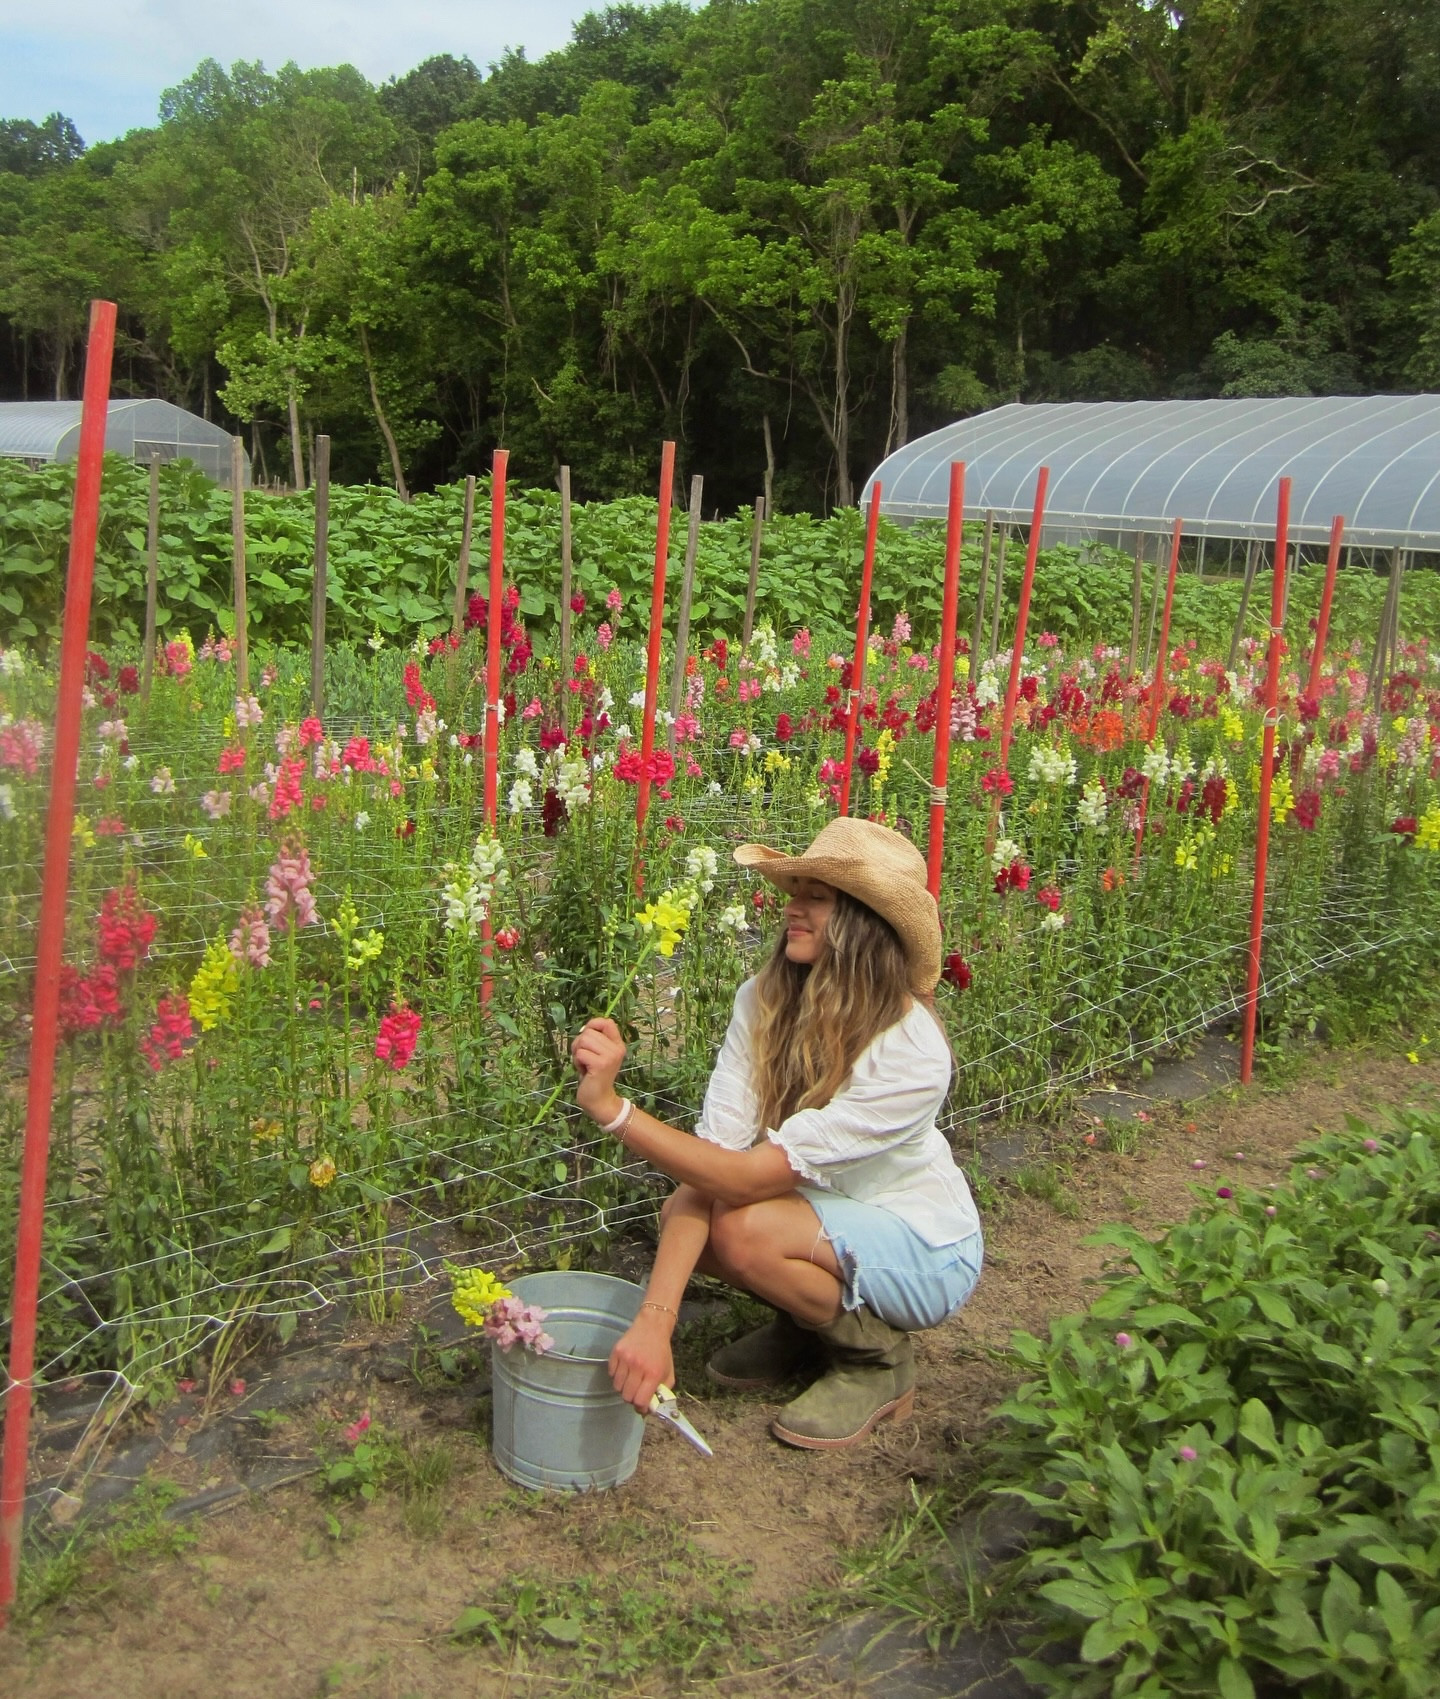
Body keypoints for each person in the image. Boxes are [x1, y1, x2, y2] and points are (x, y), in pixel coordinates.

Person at [570, 816, 984, 1450]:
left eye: (815, 897)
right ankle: (809, 1321)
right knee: (692, 1217)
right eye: (794, 892)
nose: (791, 908)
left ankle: (876, 1362)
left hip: (924, 1245)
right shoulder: (762, 999)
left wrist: (615, 1111)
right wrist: (655, 1320)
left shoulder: (912, 1052)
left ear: (863, 924)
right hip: (825, 1213)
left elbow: (740, 1180)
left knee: (738, 1226)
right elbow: (710, 1164)